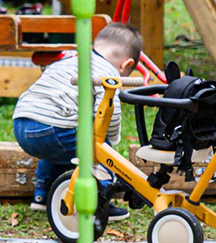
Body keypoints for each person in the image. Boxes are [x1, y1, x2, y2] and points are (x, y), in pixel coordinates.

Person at [12, 23, 143, 216]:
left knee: (60, 148)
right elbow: (110, 112)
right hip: (53, 127)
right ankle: (101, 202)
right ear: (126, 64)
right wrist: (109, 144)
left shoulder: (71, 60)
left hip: (23, 123)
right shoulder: (108, 72)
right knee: (97, 151)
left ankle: (44, 194)